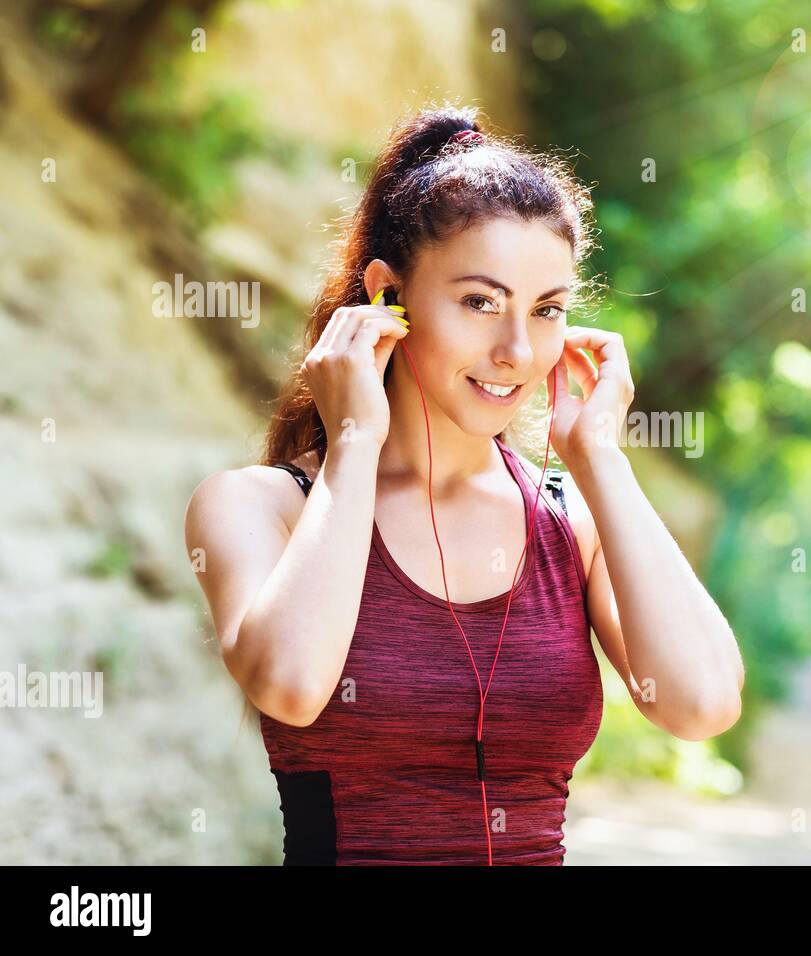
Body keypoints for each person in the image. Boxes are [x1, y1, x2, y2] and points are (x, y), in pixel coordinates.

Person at [183, 103, 744, 865]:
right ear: (387, 296)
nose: (516, 350)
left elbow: (702, 704)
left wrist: (601, 461)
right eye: (480, 302)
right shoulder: (260, 506)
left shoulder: (569, 521)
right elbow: (289, 685)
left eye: (545, 310)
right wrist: (355, 438)